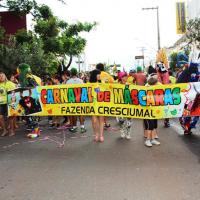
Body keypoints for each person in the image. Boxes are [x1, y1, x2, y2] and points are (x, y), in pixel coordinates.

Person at [67, 68, 86, 133]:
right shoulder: (81, 81)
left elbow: (67, 92)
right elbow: (84, 90)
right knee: (81, 113)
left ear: (71, 73)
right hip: (80, 99)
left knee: (74, 113)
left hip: (72, 100)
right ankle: (82, 127)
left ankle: (74, 127)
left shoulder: (68, 82)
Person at [144, 75, 160, 147]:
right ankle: (147, 140)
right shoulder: (146, 91)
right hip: (147, 112)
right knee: (149, 126)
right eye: (156, 83)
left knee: (154, 126)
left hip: (154, 111)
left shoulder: (156, 91)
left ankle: (153, 139)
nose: (158, 84)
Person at [96, 63, 114, 128]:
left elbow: (93, 84)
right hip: (106, 94)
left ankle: (102, 123)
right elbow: (112, 82)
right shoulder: (107, 74)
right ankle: (104, 123)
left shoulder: (96, 75)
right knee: (104, 109)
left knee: (99, 109)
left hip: (98, 93)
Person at [89, 69, 105, 142]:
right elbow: (88, 94)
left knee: (101, 119)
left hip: (101, 103)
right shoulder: (90, 84)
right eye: (99, 74)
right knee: (94, 120)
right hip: (93, 103)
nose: (100, 76)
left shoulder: (102, 83)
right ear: (95, 75)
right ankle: (96, 134)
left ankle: (101, 135)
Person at [0, 72, 16, 136]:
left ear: (5, 76)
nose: (0, 77)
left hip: (9, 102)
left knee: (10, 117)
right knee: (0, 117)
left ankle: (11, 131)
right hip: (1, 103)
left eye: (2, 76)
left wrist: (13, 102)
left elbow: (13, 93)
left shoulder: (10, 83)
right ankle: (4, 130)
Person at [118, 72, 132, 140]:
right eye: (124, 76)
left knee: (129, 120)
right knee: (121, 120)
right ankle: (122, 131)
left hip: (129, 105)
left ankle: (128, 133)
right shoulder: (117, 86)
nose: (125, 78)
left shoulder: (130, 85)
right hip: (120, 106)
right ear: (120, 78)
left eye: (126, 76)